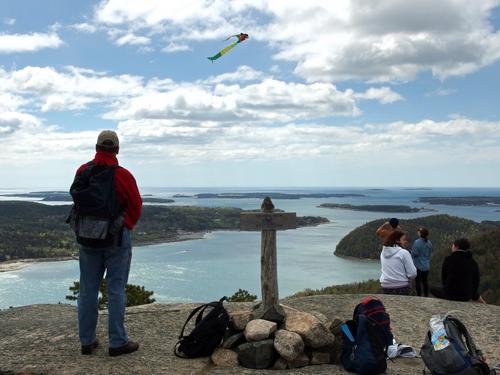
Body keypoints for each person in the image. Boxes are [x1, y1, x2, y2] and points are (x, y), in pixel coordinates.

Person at [71, 130, 142, 356]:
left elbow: (77, 200)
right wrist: (125, 226)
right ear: (117, 150)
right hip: (116, 239)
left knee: (87, 290)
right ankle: (117, 342)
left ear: (97, 147)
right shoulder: (123, 175)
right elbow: (135, 207)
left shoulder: (83, 171)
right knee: (116, 290)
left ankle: (87, 341)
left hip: (87, 238)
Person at [430, 238, 485, 303]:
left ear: (456, 247)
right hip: (466, 296)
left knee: (431, 288)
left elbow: (444, 279)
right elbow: (476, 282)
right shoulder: (473, 262)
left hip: (450, 295)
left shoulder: (448, 259)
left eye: (452, 245)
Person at [380, 230, 417, 295]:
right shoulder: (404, 253)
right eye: (403, 239)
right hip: (401, 287)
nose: (405, 241)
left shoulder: (383, 253)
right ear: (397, 241)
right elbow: (412, 273)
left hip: (385, 286)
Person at [411, 227, 432, 297]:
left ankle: (419, 296)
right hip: (426, 265)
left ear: (420, 233)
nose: (418, 232)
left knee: (418, 282)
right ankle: (426, 295)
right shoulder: (429, 243)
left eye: (419, 231)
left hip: (418, 265)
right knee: (425, 282)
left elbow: (414, 254)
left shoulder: (417, 242)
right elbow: (429, 254)